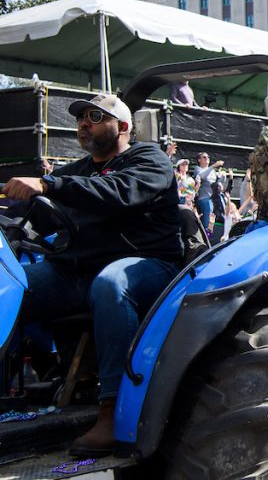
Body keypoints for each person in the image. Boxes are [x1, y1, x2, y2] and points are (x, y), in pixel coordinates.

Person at [1, 93, 182, 457]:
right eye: (82, 117)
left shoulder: (149, 160)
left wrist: (48, 184)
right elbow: (41, 211)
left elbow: (117, 192)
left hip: (146, 266)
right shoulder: (77, 171)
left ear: (124, 127)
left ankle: (114, 411)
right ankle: (15, 389)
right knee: (11, 285)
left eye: (96, 116)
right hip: (75, 271)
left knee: (111, 284)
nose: (85, 122)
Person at [193, 152, 223, 235]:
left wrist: (221, 177)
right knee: (207, 219)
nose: (207, 159)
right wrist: (213, 166)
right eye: (204, 157)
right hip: (205, 199)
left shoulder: (212, 171)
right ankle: (206, 236)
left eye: (208, 157)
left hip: (214, 199)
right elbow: (202, 176)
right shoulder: (198, 169)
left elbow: (216, 182)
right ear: (199, 160)